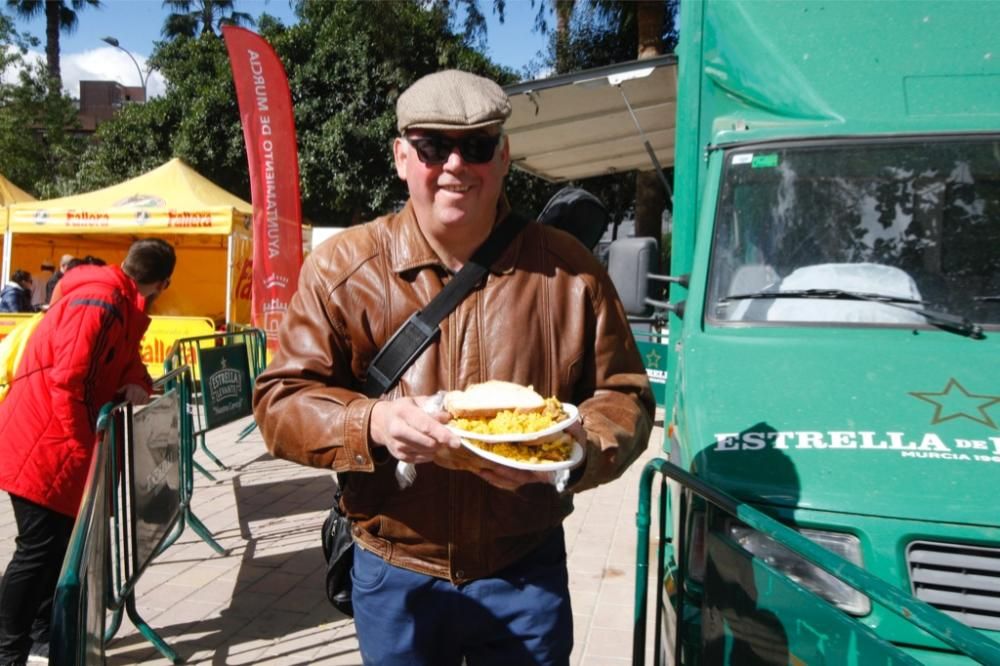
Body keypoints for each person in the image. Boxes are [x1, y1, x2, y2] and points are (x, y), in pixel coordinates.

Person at [253, 69, 653, 666]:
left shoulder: (570, 272)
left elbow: (625, 396)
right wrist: (372, 424)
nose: (456, 165)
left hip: (525, 569)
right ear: (401, 157)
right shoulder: (342, 268)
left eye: (478, 146)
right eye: (433, 146)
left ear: (505, 155)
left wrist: (570, 453)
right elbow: (281, 403)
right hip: (394, 572)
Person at [0, 238, 176, 665]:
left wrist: (139, 381)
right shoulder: (103, 301)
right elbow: (68, 383)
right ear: (163, 282)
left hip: (56, 445)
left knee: (56, 549)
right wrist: (85, 455)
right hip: (44, 446)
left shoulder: (122, 302)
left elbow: (127, 357)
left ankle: (42, 635)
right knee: (37, 551)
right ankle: (8, 648)